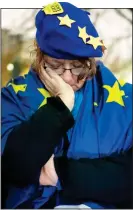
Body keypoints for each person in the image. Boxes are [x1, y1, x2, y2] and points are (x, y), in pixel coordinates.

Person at [1, 2, 132, 209]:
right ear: (39, 58)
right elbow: (14, 167)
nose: (68, 77)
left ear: (91, 61)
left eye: (78, 66)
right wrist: (60, 104)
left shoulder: (127, 100)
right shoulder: (12, 98)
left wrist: (60, 173)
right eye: (56, 67)